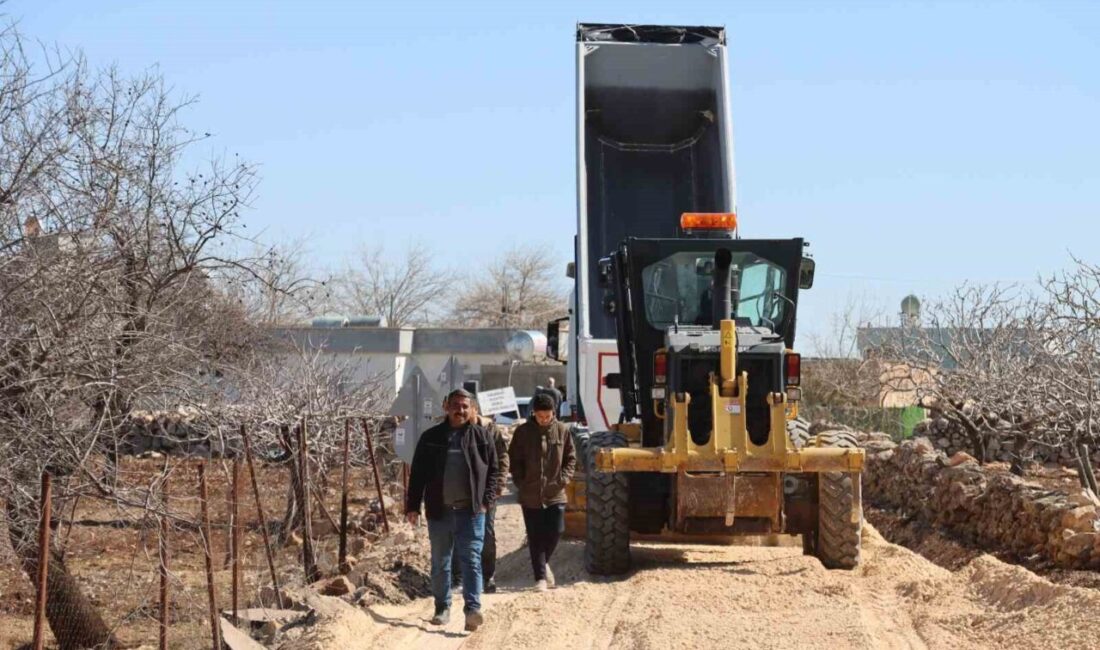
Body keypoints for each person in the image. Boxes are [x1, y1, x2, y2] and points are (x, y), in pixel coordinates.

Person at [405, 388, 500, 632]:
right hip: (440, 511)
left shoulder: (481, 436)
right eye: (456, 405)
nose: (460, 410)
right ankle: (442, 608)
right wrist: (413, 506)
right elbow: (417, 475)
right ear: (446, 406)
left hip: (472, 512)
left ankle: (472, 610)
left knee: (471, 561)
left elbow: (495, 471)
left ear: (471, 409)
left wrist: (486, 500)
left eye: (465, 406)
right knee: (441, 562)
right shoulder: (431, 438)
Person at [508, 392, 576, 591]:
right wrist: (521, 482)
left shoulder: (563, 430)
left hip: (555, 491)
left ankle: (543, 563)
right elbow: (514, 460)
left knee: (557, 530)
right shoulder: (523, 432)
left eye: (548, 416)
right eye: (540, 416)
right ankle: (540, 579)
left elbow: (571, 458)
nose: (544, 420)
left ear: (553, 413)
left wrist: (564, 479)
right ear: (534, 413)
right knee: (535, 536)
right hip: (530, 493)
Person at [451, 401, 510, 593]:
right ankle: (459, 578)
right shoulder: (455, 429)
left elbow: (502, 459)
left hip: (485, 491)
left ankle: (487, 576)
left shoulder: (490, 430)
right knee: (458, 533)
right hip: (461, 491)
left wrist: (498, 485)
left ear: (474, 409)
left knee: (486, 532)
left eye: (467, 409)